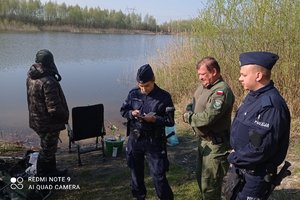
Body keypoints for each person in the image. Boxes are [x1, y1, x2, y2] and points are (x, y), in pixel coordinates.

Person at [224, 51, 290, 200]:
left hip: (255, 176)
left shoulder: (271, 105)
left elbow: (260, 149)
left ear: (258, 76)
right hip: (241, 169)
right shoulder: (253, 97)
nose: (239, 78)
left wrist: (234, 157)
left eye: (244, 75)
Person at [183, 56, 235, 200]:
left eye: (203, 74)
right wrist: (188, 110)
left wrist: (188, 117)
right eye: (199, 74)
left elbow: (209, 117)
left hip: (215, 146)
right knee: (201, 179)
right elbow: (192, 104)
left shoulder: (221, 91)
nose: (200, 78)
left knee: (210, 185)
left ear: (214, 72)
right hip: (203, 143)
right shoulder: (204, 86)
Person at [120, 64, 175, 200]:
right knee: (135, 173)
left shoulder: (164, 97)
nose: (144, 89)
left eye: (147, 86)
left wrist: (155, 119)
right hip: (135, 139)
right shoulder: (133, 93)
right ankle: (139, 197)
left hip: (154, 142)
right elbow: (123, 111)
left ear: (154, 80)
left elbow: (170, 121)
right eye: (141, 86)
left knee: (158, 176)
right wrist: (132, 113)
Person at [26, 49, 69, 177]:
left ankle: (52, 172)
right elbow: (54, 108)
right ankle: (42, 176)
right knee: (47, 150)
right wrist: (64, 117)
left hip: (36, 120)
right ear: (50, 62)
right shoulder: (48, 81)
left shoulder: (31, 77)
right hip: (48, 123)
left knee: (48, 148)